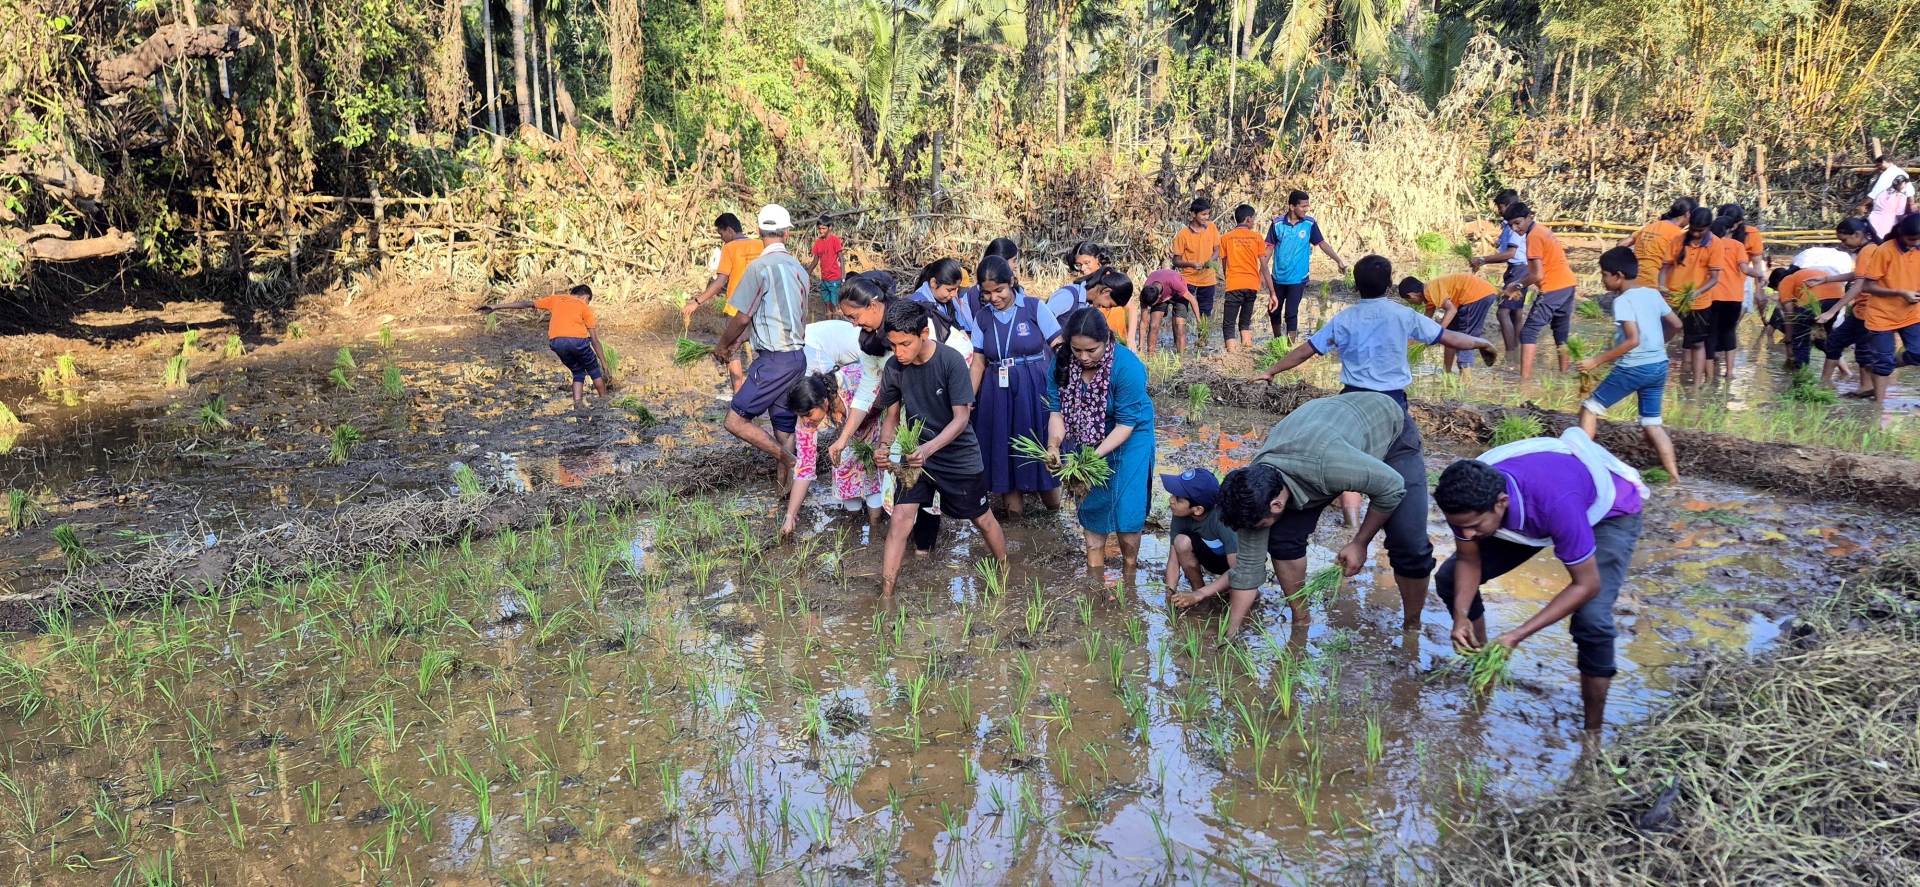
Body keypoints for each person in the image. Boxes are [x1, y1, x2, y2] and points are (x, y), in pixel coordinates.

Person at [1432, 431, 1648, 733]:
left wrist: (1516, 634)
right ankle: (1485, 666)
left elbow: (1586, 584)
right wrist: (1460, 616)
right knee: (1449, 579)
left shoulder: (1555, 503)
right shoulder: (1466, 501)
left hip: (1608, 514)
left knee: (1592, 619)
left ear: (1501, 502)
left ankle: (1592, 733)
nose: (1465, 535)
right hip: (1533, 511)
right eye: (1459, 527)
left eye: (1473, 527)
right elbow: (1469, 560)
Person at [1172, 392, 1427, 636]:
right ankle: (1301, 618)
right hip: (1318, 430)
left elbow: (1392, 487)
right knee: (1282, 541)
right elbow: (1246, 572)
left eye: (1259, 525)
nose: (1255, 531)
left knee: (1408, 543)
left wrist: (1360, 542)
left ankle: (1412, 625)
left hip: (1387, 429)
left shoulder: (1330, 465)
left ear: (1276, 505)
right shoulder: (1253, 488)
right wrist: (1231, 632)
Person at [872, 299, 1008, 596]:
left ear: (923, 333)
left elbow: (961, 419)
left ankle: (1006, 569)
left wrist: (929, 449)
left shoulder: (950, 361)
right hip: (916, 456)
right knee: (899, 519)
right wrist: (883, 447)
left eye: (905, 344)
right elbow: (892, 417)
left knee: (982, 519)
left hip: (957, 455)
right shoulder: (894, 368)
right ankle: (886, 595)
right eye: (893, 345)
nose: (899, 352)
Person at [1045, 309, 1155, 574]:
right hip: (1088, 433)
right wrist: (1054, 445)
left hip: (1131, 439)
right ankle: (1094, 572)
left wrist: (1094, 456)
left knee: (1128, 506)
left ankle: (1130, 571)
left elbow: (1126, 424)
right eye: (1077, 350)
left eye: (1091, 350)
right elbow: (1057, 411)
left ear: (1107, 338)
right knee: (1093, 502)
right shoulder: (1061, 364)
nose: (1083, 358)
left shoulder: (1127, 368)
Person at [714, 205, 811, 492]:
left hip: (773, 362)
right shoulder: (799, 271)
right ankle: (784, 495)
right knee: (784, 430)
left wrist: (723, 344)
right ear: (787, 233)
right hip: (796, 358)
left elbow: (742, 316)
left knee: (734, 421)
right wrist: (743, 339)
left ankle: (792, 461)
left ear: (758, 232)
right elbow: (777, 318)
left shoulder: (759, 267)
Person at [967, 255, 1063, 519]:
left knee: (1040, 444)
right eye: (986, 293)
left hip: (1034, 388)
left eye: (999, 290)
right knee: (1003, 446)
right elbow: (977, 363)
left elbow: (1060, 348)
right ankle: (1015, 517)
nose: (993, 298)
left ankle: (1054, 511)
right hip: (996, 392)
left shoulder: (1034, 307)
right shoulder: (982, 318)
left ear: (1011, 282)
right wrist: (966, 401)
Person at [1576, 248, 1682, 481]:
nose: (1602, 279)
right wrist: (1658, 344)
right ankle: (1675, 478)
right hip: (1658, 366)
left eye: (1604, 274)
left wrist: (1595, 361)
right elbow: (1676, 324)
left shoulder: (1623, 301)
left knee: (1590, 408)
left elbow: (1632, 340)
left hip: (1633, 368)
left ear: (1619, 275)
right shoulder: (1653, 294)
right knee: (1652, 423)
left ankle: (1582, 468)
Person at [778, 320, 888, 536]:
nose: (806, 421)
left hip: (879, 427)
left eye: (808, 415)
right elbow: (805, 466)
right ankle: (855, 525)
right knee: (851, 499)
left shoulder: (854, 381)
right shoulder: (806, 419)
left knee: (876, 505)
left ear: (824, 402)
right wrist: (790, 516)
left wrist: (884, 439)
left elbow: (887, 400)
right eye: (801, 417)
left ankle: (876, 532)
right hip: (848, 442)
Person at [475, 283, 608, 410]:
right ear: (586, 297)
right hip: (578, 341)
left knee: (578, 372)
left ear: (571, 293)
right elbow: (595, 341)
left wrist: (495, 307)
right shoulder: (584, 307)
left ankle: (577, 404)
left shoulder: (556, 299)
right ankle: (604, 401)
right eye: (588, 301)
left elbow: (528, 304)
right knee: (593, 369)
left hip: (556, 342)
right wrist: (605, 365)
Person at [685, 213, 765, 390]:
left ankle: (738, 392)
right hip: (759, 307)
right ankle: (760, 389)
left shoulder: (729, 248)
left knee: (732, 351)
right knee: (759, 349)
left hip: (736, 308)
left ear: (728, 230)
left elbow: (720, 281)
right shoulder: (760, 244)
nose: (722, 239)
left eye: (721, 234)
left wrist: (696, 302)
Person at [1500, 202, 1579, 382]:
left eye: (1518, 223)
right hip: (1568, 284)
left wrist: (1516, 286)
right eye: (1511, 225)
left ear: (1530, 217)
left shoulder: (1533, 236)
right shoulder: (1543, 230)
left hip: (1553, 287)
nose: (1515, 228)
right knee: (1561, 331)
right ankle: (1563, 376)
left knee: (1528, 332)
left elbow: (1537, 274)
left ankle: (1524, 380)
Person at [1264, 190, 1349, 341]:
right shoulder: (1277, 224)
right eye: (1303, 206)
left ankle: (1291, 345)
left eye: (1307, 206)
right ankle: (1278, 341)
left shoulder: (1309, 224)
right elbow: (1269, 248)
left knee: (1291, 312)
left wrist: (1338, 260)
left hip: (1298, 278)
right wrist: (1261, 271)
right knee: (1274, 311)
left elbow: (1322, 244)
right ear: (1292, 206)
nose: (1306, 209)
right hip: (1278, 277)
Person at [1854, 213, 1920, 403]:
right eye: (1911, 239)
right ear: (1900, 234)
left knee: (1917, 354)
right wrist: (1900, 292)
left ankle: (1877, 368)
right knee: (1884, 362)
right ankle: (1878, 406)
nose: (1915, 243)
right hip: (1881, 316)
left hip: (1912, 313)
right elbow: (1867, 286)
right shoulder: (1885, 251)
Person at [1658, 207, 1726, 386]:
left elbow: (1714, 279)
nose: (1695, 233)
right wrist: (1662, 285)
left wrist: (1696, 292)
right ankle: (1653, 378)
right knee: (1660, 337)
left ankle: (1696, 385)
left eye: (1700, 230)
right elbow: (1665, 267)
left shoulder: (1716, 244)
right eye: (1692, 229)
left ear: (1709, 227)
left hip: (1698, 302)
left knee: (1696, 343)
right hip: (1673, 299)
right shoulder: (1678, 239)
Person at [1396, 272, 1498, 378]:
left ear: (1412, 295)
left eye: (1407, 300)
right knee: (1450, 333)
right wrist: (1413, 340)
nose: (1410, 303)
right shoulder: (1429, 294)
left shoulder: (1431, 290)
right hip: (1476, 294)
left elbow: (1451, 309)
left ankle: (1466, 382)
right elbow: (1425, 322)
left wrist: (1437, 332)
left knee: (1465, 338)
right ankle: (1447, 372)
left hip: (1476, 295)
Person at [1161, 468, 1238, 594]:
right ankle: (1198, 590)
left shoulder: (1223, 521)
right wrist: (1169, 594)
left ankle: (1202, 594)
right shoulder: (1180, 515)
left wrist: (1200, 595)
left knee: (1237, 592)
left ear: (1198, 509)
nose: (1171, 500)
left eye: (1179, 499)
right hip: (1212, 557)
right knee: (1181, 541)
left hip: (1238, 564)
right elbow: (1174, 562)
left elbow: (1239, 570)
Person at [1470, 189, 1529, 352]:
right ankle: (1517, 350)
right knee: (1515, 312)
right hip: (1519, 269)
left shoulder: (1514, 226)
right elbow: (1501, 246)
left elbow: (1510, 253)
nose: (1499, 211)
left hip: (1519, 270)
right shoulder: (1508, 226)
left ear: (1509, 205)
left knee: (1502, 313)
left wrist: (1482, 259)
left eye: (1500, 207)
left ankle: (1510, 353)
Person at [1214, 204, 1270, 353]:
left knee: (1228, 324)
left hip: (1234, 285)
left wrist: (1229, 281)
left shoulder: (1225, 238)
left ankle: (1232, 356)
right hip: (1252, 285)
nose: (1254, 222)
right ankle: (1246, 352)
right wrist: (1273, 291)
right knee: (1245, 323)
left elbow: (1225, 265)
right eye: (1254, 219)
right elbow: (1264, 266)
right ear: (1248, 219)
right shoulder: (1257, 237)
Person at [1704, 215, 1752, 381]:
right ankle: (1730, 372)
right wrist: (1760, 274)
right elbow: (1745, 269)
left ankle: (1708, 376)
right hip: (1733, 297)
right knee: (1729, 332)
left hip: (1711, 295)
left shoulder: (1709, 244)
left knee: (1710, 334)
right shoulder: (1738, 246)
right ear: (1732, 228)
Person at [1171, 197, 1222, 340]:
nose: (1206, 217)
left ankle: (1202, 341)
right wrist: (1191, 264)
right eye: (1203, 214)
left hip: (1208, 279)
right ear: (1193, 214)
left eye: (1208, 214)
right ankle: (1180, 343)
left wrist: (1209, 261)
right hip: (1187, 279)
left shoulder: (1211, 227)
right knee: (1181, 313)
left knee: (1206, 313)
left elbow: (1217, 250)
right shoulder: (1183, 234)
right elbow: (1176, 260)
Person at [1619, 198, 1695, 289]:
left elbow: (1621, 244)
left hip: (1633, 281)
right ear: (1687, 214)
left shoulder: (1649, 227)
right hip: (1654, 284)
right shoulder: (1677, 235)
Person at [1140, 268, 1201, 356]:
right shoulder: (1145, 294)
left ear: (1159, 297)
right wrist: (1141, 348)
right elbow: (1143, 322)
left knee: (1179, 327)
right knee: (1153, 325)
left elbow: (1193, 300)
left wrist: (1199, 322)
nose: (1149, 307)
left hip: (1178, 296)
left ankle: (1181, 359)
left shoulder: (1174, 282)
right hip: (1160, 296)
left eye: (1152, 305)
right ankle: (1150, 357)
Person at [910, 257, 976, 334]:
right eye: (950, 290)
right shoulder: (918, 305)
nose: (954, 294)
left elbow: (960, 327)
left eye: (956, 289)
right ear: (933, 283)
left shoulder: (949, 299)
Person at [1085, 269, 1137, 349]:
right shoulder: (1090, 294)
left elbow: (1132, 308)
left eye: (1087, 263)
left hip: (1118, 337)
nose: (1083, 269)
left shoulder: (1113, 286)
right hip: (1099, 338)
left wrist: (1131, 337)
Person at [807, 215, 846, 307]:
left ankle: (836, 321)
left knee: (835, 305)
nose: (821, 231)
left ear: (830, 227)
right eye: (819, 229)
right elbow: (815, 261)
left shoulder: (834, 240)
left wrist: (843, 277)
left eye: (824, 228)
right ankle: (829, 321)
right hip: (824, 278)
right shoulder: (818, 242)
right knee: (827, 305)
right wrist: (806, 275)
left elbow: (841, 259)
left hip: (834, 278)